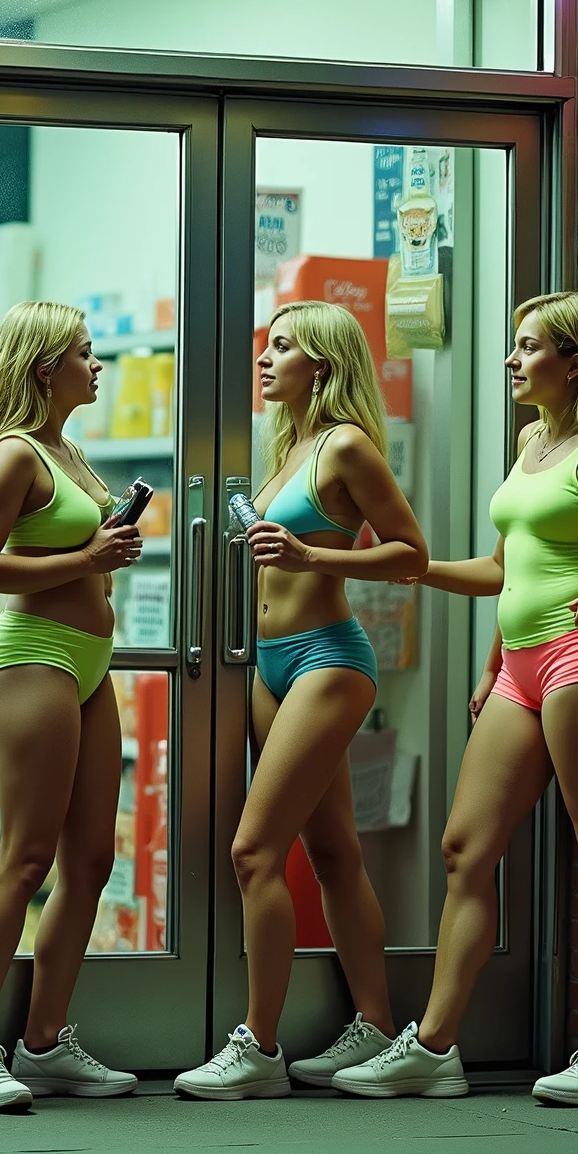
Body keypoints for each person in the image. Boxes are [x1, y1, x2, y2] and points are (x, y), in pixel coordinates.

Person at [334, 292, 578, 1106]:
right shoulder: (533, 441)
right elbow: (505, 571)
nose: (511, 360)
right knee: (464, 850)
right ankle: (434, 1049)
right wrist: (433, 592)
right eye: (513, 346)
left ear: (574, 363)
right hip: (520, 667)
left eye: (528, 347)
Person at [177, 302, 427, 1099]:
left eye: (282, 346)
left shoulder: (346, 445)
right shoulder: (288, 448)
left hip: (328, 659)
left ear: (321, 363)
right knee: (334, 854)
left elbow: (411, 554)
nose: (265, 358)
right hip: (269, 665)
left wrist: (318, 555)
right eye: (266, 344)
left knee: (254, 852)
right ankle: (377, 1026)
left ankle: (259, 1048)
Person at [0, 302, 146, 1111]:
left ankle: (46, 1042)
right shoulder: (16, 455)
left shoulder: (70, 449)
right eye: (85, 354)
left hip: (88, 664)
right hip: (33, 658)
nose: (98, 367)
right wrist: (88, 556)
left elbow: (73, 557)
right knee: (24, 860)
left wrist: (102, 556)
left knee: (91, 860)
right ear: (42, 368)